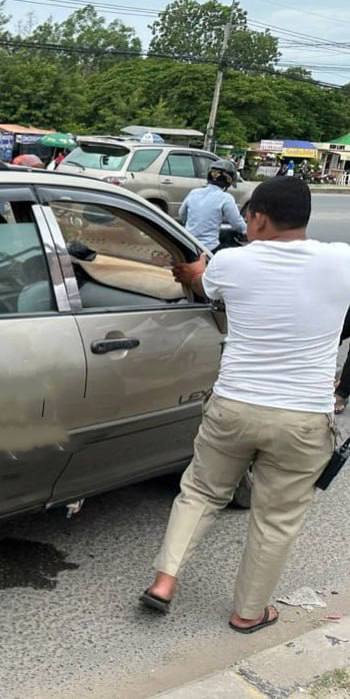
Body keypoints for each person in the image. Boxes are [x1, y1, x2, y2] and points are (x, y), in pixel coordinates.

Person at [140, 176, 350, 634]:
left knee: (200, 493)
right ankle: (248, 613)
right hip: (303, 419)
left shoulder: (233, 262)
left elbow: (199, 282)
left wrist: (192, 270)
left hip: (233, 407)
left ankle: (164, 582)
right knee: (275, 519)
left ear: (257, 217)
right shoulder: (343, 261)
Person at [178, 159, 247, 252]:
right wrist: (247, 231)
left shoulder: (194, 192)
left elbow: (181, 214)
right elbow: (237, 223)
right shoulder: (226, 198)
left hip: (188, 244)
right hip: (209, 247)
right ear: (229, 180)